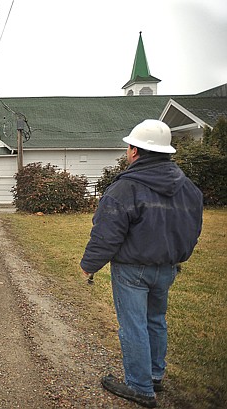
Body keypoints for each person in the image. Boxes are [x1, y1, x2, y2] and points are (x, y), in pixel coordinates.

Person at [80, 119, 203, 408]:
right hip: (167, 268)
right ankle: (155, 375)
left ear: (135, 151)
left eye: (128, 147)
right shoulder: (188, 188)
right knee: (156, 320)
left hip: (132, 269)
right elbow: (192, 230)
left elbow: (106, 233)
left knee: (133, 325)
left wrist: (89, 265)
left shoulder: (126, 188)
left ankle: (140, 387)